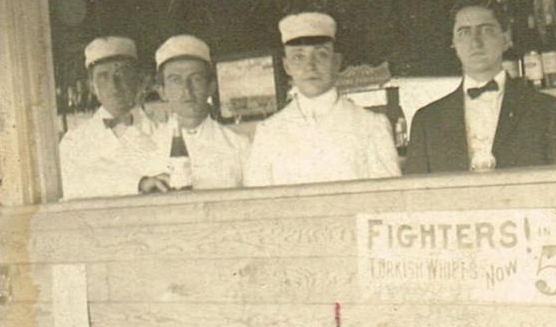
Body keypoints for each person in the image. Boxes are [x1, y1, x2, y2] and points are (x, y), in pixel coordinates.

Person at [404, 0, 556, 173]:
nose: (475, 42)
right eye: (464, 32)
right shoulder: (427, 122)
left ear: (506, 39)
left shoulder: (547, 111)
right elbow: (417, 197)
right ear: (453, 43)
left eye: (486, 30)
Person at [243, 12, 400, 186]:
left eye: (321, 54)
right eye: (298, 57)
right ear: (287, 66)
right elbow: (258, 205)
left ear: (336, 62)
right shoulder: (269, 132)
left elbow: (388, 201)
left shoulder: (371, 126)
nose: (310, 66)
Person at [139, 35, 251, 192]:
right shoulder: (144, 146)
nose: (187, 90)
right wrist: (141, 184)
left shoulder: (239, 146)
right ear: (162, 91)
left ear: (211, 87)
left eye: (196, 79)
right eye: (175, 80)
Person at [58, 36, 164, 200]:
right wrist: (138, 183)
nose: (114, 84)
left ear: (137, 80)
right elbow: (70, 184)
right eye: (103, 76)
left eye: (121, 74)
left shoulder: (162, 133)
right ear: (92, 86)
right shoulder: (74, 141)